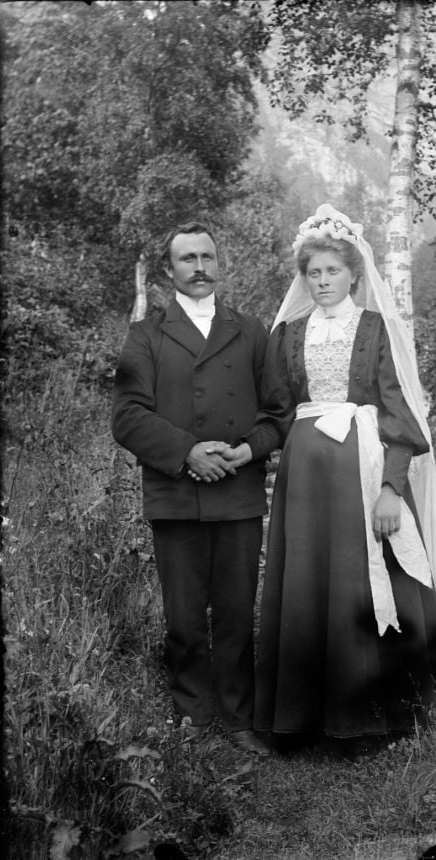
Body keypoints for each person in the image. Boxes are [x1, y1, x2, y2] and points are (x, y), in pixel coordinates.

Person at [246, 204, 436, 750]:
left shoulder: (376, 329)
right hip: (306, 475)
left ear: (353, 275)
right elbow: (275, 409)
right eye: (312, 273)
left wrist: (391, 488)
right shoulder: (288, 336)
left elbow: (399, 415)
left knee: (366, 580)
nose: (321, 281)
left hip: (365, 467)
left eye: (331, 272)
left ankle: (372, 722)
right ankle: (300, 721)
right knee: (309, 584)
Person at [111, 221, 279, 755]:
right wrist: (187, 453)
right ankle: (192, 716)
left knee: (235, 613)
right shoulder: (146, 336)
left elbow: (279, 413)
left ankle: (237, 718)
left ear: (219, 263)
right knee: (183, 617)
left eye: (208, 256)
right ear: (169, 270)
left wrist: (246, 449)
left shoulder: (252, 331)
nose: (200, 267)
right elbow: (128, 418)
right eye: (188, 259)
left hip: (239, 493)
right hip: (176, 495)